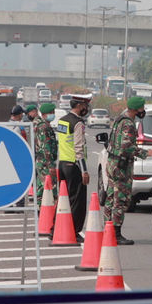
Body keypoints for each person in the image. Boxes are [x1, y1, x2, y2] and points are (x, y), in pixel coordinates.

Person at [103, 96, 152, 245]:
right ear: (136, 109)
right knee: (120, 199)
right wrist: (147, 153)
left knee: (110, 197)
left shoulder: (119, 119)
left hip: (112, 163)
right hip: (121, 166)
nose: (143, 111)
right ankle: (115, 233)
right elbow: (126, 146)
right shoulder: (128, 124)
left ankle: (106, 230)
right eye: (142, 108)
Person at [56, 94, 92, 239]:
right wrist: (84, 170)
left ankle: (56, 228)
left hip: (62, 163)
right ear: (78, 106)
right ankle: (74, 232)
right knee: (77, 201)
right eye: (84, 106)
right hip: (74, 165)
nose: (86, 108)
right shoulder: (78, 123)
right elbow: (79, 148)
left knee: (63, 199)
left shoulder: (62, 120)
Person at [34, 102, 59, 198]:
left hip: (42, 162)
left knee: (42, 186)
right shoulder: (44, 127)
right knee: (50, 188)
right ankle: (48, 210)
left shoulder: (39, 124)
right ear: (45, 114)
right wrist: (51, 165)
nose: (53, 114)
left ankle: (41, 210)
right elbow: (46, 147)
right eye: (51, 112)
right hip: (46, 163)